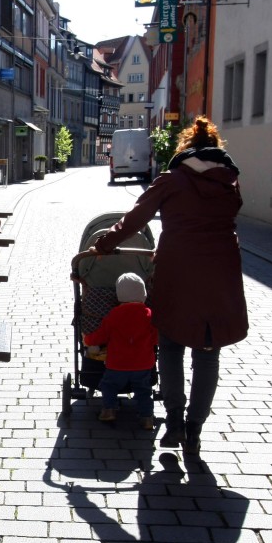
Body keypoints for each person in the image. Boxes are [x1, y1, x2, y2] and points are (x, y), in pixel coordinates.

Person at [90, 116, 248, 454]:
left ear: (185, 148)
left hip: (178, 269)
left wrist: (103, 246)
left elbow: (135, 218)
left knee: (172, 346)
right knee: (208, 352)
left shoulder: (172, 179)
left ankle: (174, 420)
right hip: (220, 273)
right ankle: (195, 429)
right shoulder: (229, 180)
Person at [83, 272, 157, 429]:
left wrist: (88, 340)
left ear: (118, 296)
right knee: (144, 390)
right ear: (144, 294)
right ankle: (147, 417)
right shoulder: (149, 315)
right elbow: (157, 338)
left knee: (109, 385)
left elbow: (101, 335)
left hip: (117, 363)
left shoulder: (114, 315)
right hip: (143, 364)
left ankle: (109, 409)